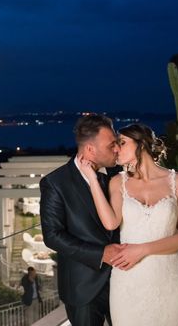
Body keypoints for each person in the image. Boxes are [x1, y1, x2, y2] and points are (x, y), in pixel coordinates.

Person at [81, 123, 178, 325]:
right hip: (128, 282)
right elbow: (110, 223)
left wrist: (142, 250)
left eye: (122, 143)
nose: (116, 149)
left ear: (141, 144)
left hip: (170, 279)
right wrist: (92, 180)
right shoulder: (118, 182)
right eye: (115, 144)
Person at [40, 114, 123, 326]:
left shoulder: (119, 174)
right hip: (83, 287)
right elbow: (53, 236)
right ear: (90, 150)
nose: (117, 149)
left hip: (123, 280)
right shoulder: (55, 183)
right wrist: (101, 254)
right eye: (111, 144)